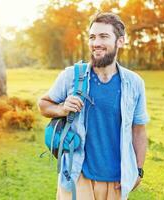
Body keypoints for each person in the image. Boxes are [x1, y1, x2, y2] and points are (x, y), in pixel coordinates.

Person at [38, 12, 149, 200]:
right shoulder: (71, 75)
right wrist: (61, 109)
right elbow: (43, 104)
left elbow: (138, 129)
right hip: (76, 174)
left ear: (120, 41)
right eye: (92, 37)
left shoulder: (134, 83)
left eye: (104, 36)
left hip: (117, 180)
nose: (96, 43)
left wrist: (138, 170)